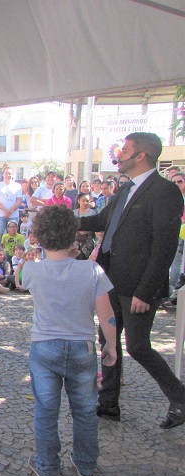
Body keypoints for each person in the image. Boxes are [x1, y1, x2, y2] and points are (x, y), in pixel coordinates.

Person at [80, 132, 185, 429]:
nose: (118, 154)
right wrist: (62, 219)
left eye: (124, 150)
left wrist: (145, 291)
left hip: (138, 286)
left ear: (140, 156)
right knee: (107, 341)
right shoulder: (124, 190)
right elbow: (101, 221)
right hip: (110, 280)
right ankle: (108, 404)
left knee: (138, 346)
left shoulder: (164, 191)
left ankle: (180, 398)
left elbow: (164, 248)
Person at [23, 205, 117, 476]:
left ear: (39, 237)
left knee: (46, 411)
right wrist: (111, 347)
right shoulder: (92, 270)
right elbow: (106, 314)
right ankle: (86, 465)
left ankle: (48, 467)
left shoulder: (31, 270)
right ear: (74, 235)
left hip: (44, 348)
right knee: (86, 411)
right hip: (82, 349)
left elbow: (20, 279)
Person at [0, 167, 22, 248]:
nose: (8, 175)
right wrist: (6, 211)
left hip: (14, 216)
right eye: (6, 173)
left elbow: (19, 201)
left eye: (10, 173)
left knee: (13, 237)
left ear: (12, 175)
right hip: (0, 216)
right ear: (3, 174)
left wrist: (10, 212)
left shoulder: (18, 186)